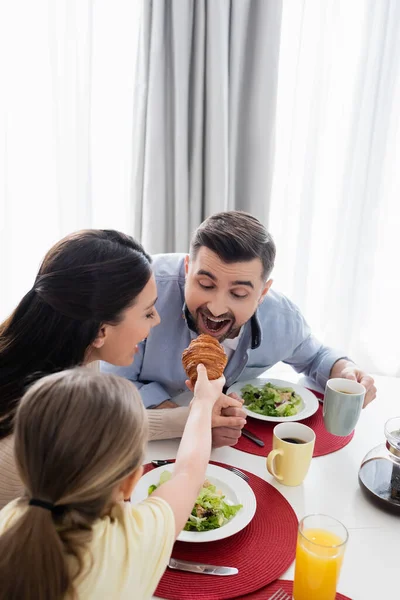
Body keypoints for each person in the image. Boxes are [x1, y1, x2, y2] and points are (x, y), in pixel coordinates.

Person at [0, 229, 243, 508]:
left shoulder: (74, 362)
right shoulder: (44, 435)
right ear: (101, 331)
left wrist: (194, 418)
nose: (157, 321)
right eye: (148, 312)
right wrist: (199, 411)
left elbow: (98, 422)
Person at [102, 211, 377, 446]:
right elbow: (112, 386)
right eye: (206, 285)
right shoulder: (144, 293)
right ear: (188, 268)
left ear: (263, 292)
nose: (217, 308)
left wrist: (344, 371)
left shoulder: (280, 317)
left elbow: (316, 357)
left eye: (239, 294)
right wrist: (191, 420)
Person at [0, 365, 224, 599]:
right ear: (129, 483)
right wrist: (203, 402)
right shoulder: (134, 540)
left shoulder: (8, 521)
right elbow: (189, 472)